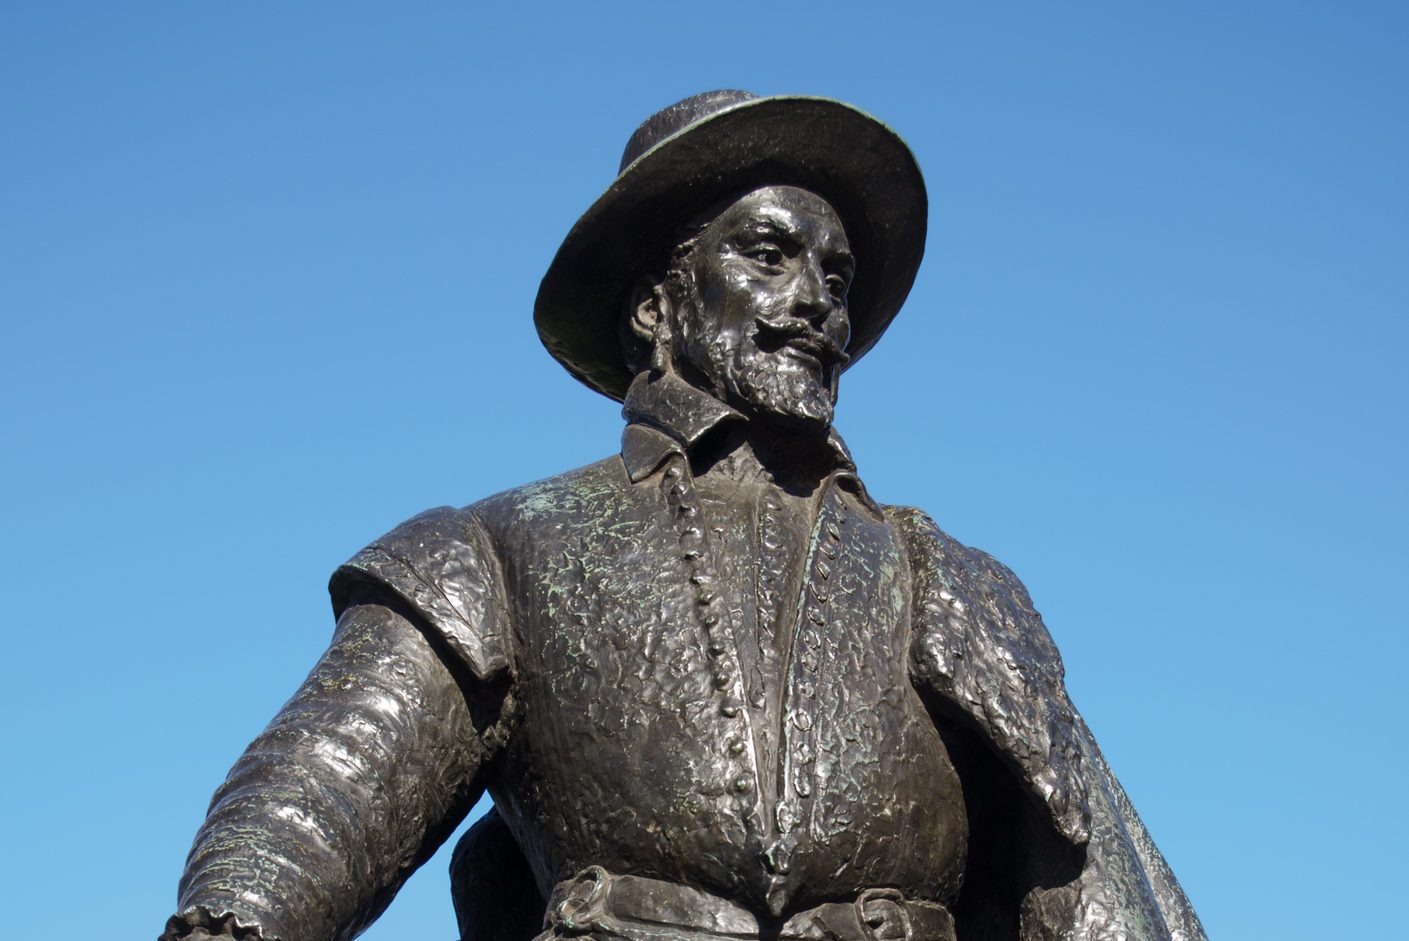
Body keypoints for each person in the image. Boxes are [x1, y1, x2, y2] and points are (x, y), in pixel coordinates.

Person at [161, 91, 1205, 941]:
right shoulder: (500, 548)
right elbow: (315, 807)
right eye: (768, 254)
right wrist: (236, 915)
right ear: (656, 305)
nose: (816, 304)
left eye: (835, 276)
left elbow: (1088, 880)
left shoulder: (949, 585)